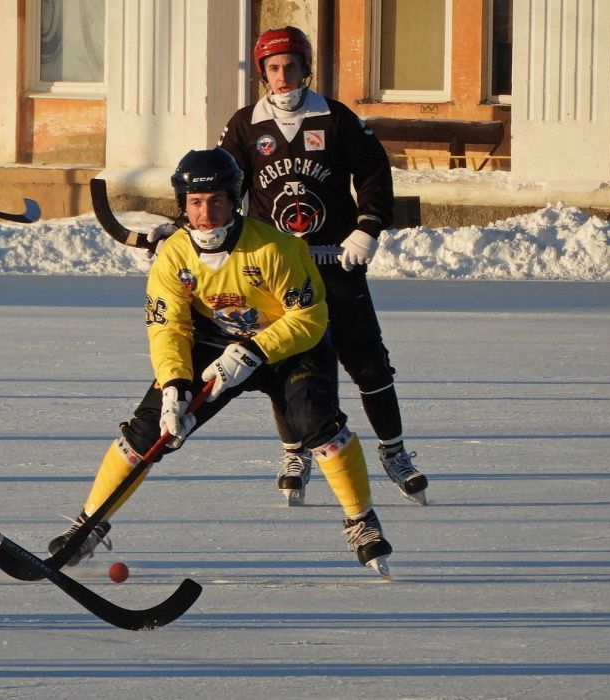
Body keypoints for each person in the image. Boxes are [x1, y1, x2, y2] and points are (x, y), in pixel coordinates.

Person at [49, 148, 393, 577]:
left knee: (313, 420)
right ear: (182, 206)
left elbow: (310, 316)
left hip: (288, 346)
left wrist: (254, 351)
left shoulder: (275, 247)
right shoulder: (174, 256)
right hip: (214, 345)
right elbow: (168, 326)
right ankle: (89, 525)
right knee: (150, 426)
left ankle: (362, 521)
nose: (205, 213)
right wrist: (174, 384)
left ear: (235, 200)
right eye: (195, 203)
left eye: (215, 200)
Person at [217, 25, 429, 506]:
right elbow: (226, 189)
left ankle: (394, 452)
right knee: (284, 364)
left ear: (306, 66)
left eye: (291, 65)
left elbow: (373, 170)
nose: (283, 75)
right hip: (276, 271)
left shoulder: (334, 117)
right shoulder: (246, 124)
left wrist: (367, 226)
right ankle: (295, 450)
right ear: (262, 73)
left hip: (335, 260)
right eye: (273, 68)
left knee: (368, 361)